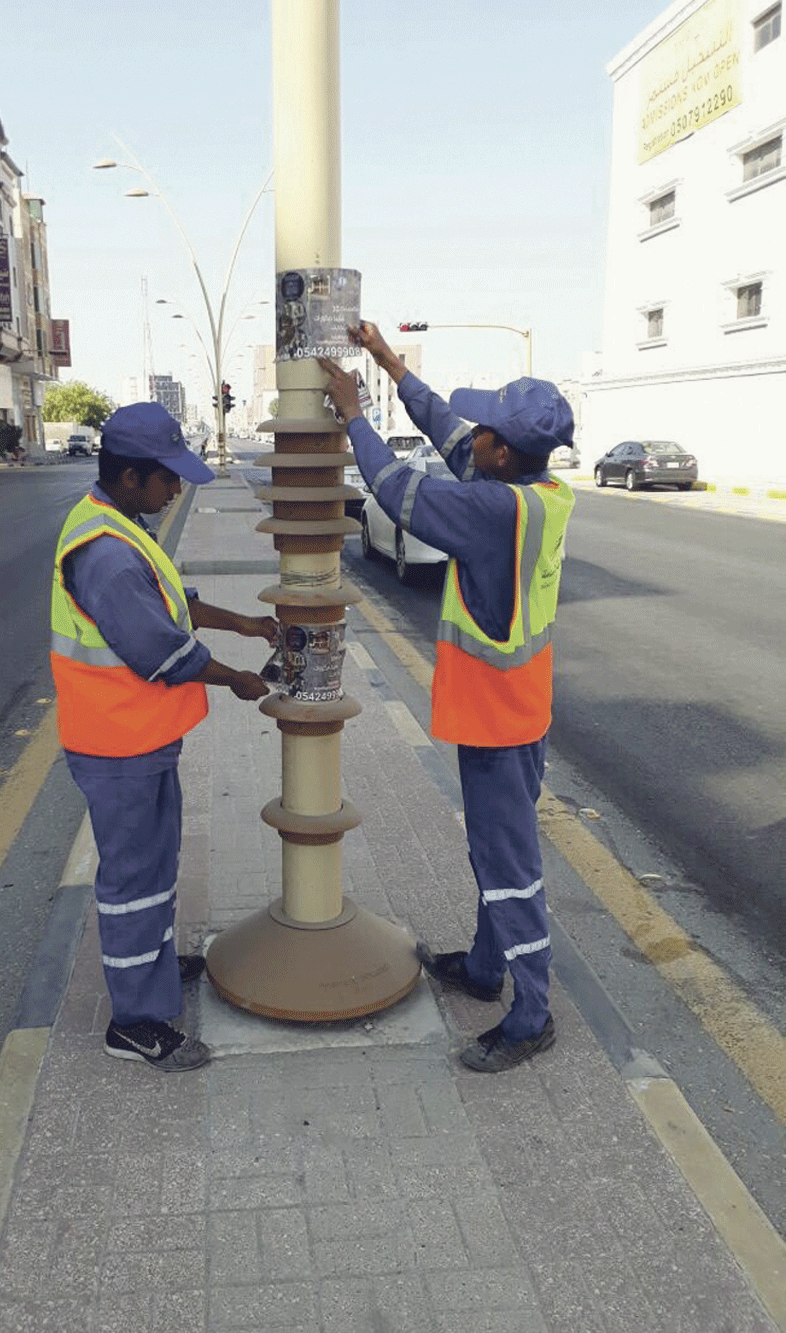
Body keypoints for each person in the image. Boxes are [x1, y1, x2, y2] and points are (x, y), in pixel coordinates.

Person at [319, 323, 575, 1073]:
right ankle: (487, 967)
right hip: (518, 710)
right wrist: (386, 358)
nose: (474, 439)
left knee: (510, 864)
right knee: (492, 849)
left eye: (485, 432)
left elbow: (399, 492)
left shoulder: (492, 512)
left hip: (498, 720)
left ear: (503, 451)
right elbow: (450, 429)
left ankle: (531, 1012)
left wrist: (355, 415)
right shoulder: (537, 492)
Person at [51, 402, 277, 1072]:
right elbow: (163, 649)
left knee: (155, 866)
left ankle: (153, 969)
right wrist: (237, 678)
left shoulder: (121, 526)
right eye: (167, 478)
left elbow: (177, 600)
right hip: (116, 745)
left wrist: (249, 625)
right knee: (131, 879)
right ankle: (135, 1022)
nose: (176, 489)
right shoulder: (107, 556)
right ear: (128, 477)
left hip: (141, 739)